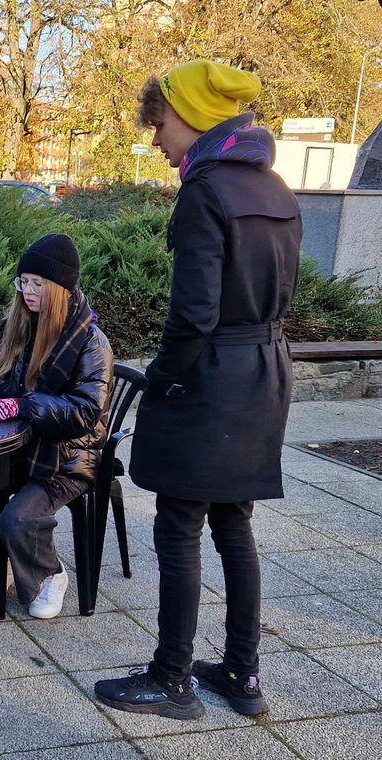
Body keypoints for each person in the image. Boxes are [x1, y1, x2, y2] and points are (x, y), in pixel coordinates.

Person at [94, 60, 302, 720]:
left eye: (159, 122)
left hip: (211, 376)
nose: (156, 139)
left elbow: (193, 315)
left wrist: (163, 379)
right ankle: (242, 673)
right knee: (234, 523)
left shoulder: (205, 194)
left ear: (191, 116)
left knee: (179, 525)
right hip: (265, 371)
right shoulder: (275, 188)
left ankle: (171, 677)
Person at [0, 234, 112, 620]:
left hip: (67, 456)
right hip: (14, 449)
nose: (28, 292)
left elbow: (85, 412)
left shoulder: (90, 342)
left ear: (61, 288)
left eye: (38, 284)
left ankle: (51, 574)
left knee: (18, 519)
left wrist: (23, 405)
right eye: (23, 282)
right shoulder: (15, 327)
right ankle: (3, 564)